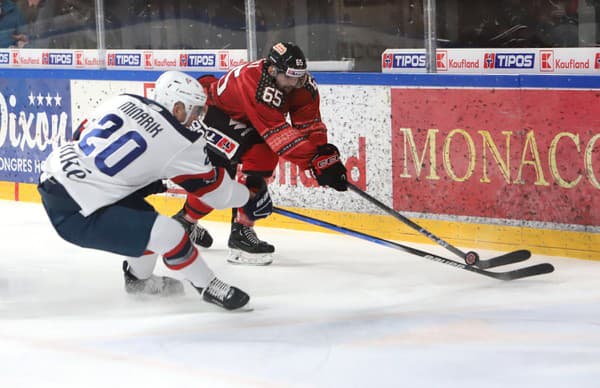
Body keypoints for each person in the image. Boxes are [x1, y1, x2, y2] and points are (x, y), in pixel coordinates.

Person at [38, 70, 273, 310]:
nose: (198, 118)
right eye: (196, 111)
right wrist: (250, 197)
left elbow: (81, 135)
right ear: (178, 108)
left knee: (147, 222)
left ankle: (137, 282)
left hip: (56, 174)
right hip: (79, 209)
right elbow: (218, 194)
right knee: (168, 232)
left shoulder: (125, 100)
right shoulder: (181, 142)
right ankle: (208, 286)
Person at [172, 41, 347, 266]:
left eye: (300, 77)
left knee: (221, 179)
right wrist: (312, 161)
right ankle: (240, 234)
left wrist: (324, 157)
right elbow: (276, 135)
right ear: (273, 71)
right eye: (289, 77)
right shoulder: (256, 83)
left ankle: (185, 222)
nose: (295, 83)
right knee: (258, 156)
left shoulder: (302, 85)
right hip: (212, 113)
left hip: (243, 121)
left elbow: (310, 125)